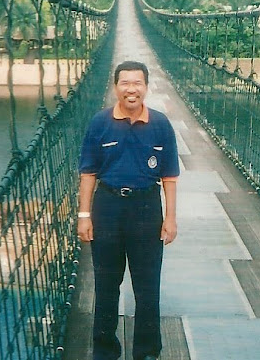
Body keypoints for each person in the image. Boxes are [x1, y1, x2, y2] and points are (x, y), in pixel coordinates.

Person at [77, 60, 179, 360]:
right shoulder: (100, 122)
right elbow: (88, 173)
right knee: (106, 283)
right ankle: (105, 351)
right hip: (107, 207)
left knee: (147, 286)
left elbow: (170, 177)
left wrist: (170, 218)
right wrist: (84, 216)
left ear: (146, 87)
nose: (131, 89)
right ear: (115, 87)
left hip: (147, 208)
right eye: (125, 83)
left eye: (137, 83)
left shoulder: (161, 124)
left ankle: (147, 352)